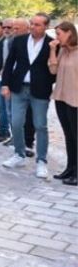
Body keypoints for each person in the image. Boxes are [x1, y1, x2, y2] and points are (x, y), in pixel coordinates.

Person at [1, 13, 56, 177]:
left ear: (46, 26)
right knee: (16, 123)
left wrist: (50, 84)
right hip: (18, 88)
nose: (33, 27)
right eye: (32, 23)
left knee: (40, 125)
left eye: (37, 24)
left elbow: (55, 69)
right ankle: (19, 154)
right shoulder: (19, 40)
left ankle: (41, 161)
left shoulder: (52, 44)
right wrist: (5, 84)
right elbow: (9, 63)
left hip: (40, 91)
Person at [48, 21, 77, 186]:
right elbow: (53, 70)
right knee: (69, 136)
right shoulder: (63, 51)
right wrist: (53, 49)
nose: (56, 37)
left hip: (75, 101)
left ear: (70, 33)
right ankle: (70, 168)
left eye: (59, 34)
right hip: (61, 98)